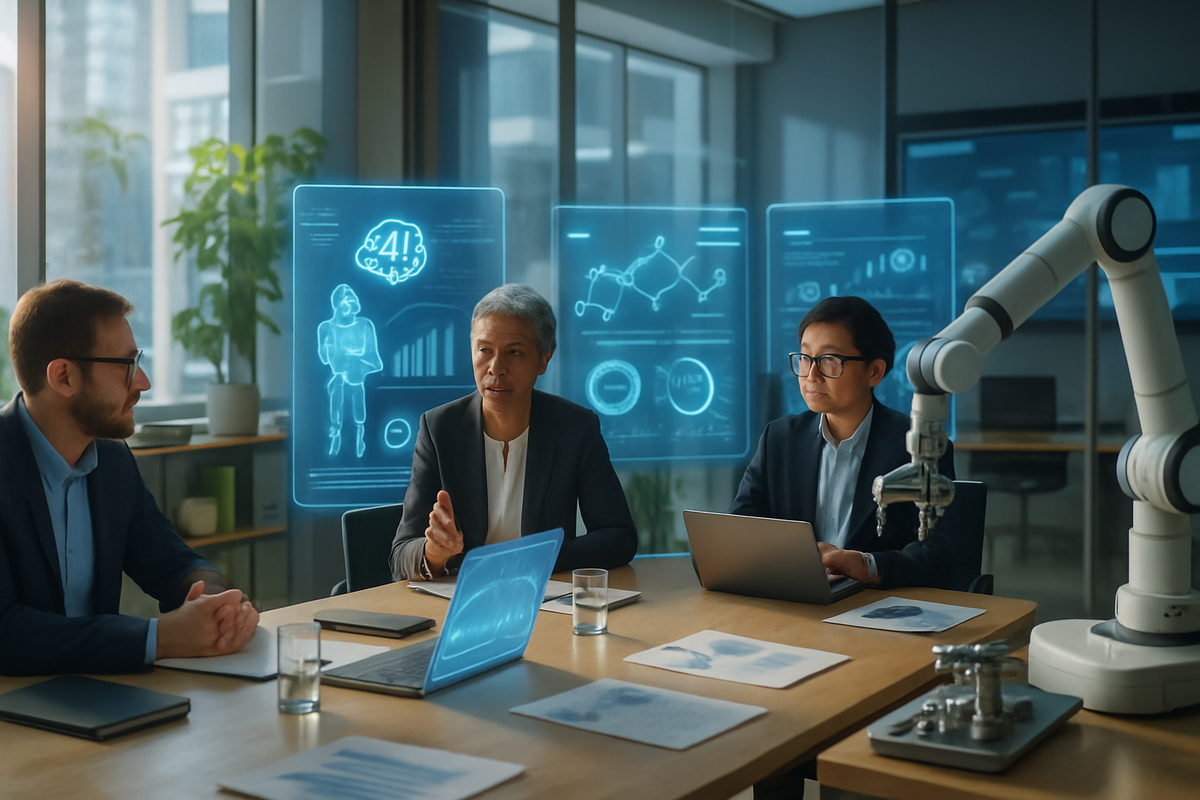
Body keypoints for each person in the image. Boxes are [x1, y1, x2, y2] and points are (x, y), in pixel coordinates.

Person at [0, 280, 259, 676]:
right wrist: (160, 637)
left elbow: (171, 562)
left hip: (101, 694)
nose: (143, 383)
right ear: (64, 377)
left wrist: (218, 603)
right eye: (127, 366)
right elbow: (6, 631)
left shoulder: (112, 458)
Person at [390, 284, 637, 580]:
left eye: (514, 352)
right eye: (484, 350)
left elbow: (619, 537)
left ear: (543, 360)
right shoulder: (438, 428)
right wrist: (434, 552)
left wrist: (539, 556)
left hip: (541, 595)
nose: (496, 368)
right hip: (463, 594)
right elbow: (401, 553)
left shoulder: (575, 428)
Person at [731, 296, 957, 589]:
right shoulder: (779, 439)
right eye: (805, 357)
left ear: (874, 372)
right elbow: (736, 534)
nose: (811, 375)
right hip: (793, 598)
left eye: (829, 360)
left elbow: (939, 557)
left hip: (876, 603)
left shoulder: (919, 448)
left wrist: (865, 564)